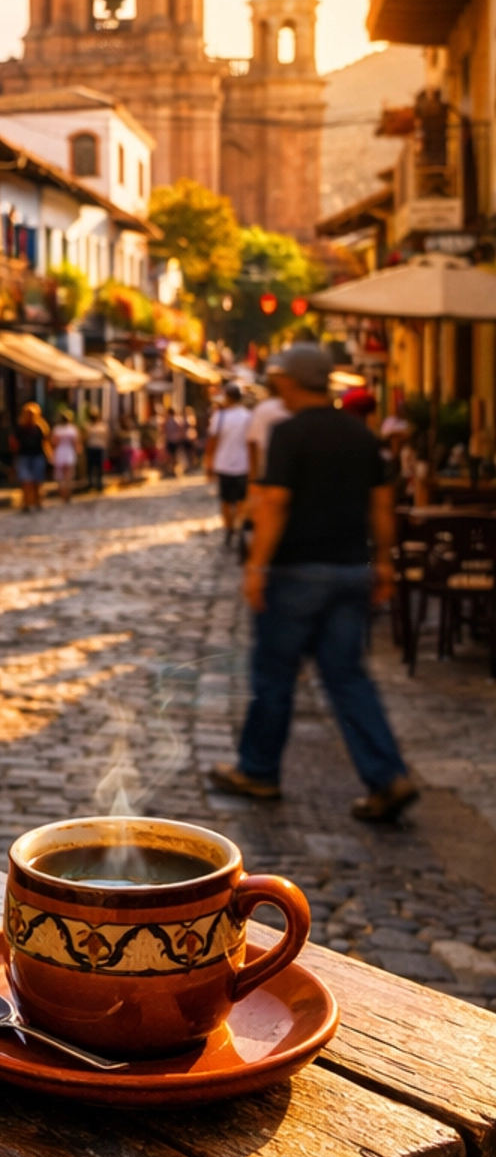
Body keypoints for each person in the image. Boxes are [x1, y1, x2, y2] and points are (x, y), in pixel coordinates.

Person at [210, 341, 416, 824]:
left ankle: (259, 769)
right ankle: (387, 777)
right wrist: (384, 564)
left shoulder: (290, 433)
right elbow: (382, 506)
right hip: (350, 571)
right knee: (347, 677)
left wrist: (257, 566)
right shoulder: (362, 437)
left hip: (296, 572)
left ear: (291, 381)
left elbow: (275, 503)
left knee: (274, 674)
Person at [205, 381, 253, 546]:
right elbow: (252, 443)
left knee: (226, 500)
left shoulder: (220, 416)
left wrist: (209, 464)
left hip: (224, 464)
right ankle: (239, 526)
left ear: (227, 397)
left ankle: (229, 528)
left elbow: (212, 442)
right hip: (243, 465)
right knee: (241, 500)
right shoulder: (248, 416)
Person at [247, 363, 290, 483]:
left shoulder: (262, 408)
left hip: (266, 466)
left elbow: (252, 443)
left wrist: (252, 476)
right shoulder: (293, 406)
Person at [14, 400, 50, 512]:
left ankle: (38, 501)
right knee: (26, 481)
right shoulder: (20, 427)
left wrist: (49, 455)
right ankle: (26, 503)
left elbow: (45, 442)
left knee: (37, 481)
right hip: (24, 456)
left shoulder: (40, 428)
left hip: (37, 455)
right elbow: (14, 442)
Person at [49, 408, 81, 503]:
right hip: (68, 452)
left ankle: (62, 494)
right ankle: (68, 494)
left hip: (60, 452)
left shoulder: (57, 430)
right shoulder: (72, 429)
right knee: (68, 475)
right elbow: (76, 443)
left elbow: (53, 443)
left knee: (60, 476)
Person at [83, 408, 109, 492]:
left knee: (99, 466)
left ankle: (99, 483)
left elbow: (107, 437)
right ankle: (91, 483)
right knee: (90, 466)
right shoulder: (88, 426)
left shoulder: (102, 426)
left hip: (99, 448)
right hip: (91, 447)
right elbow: (85, 438)